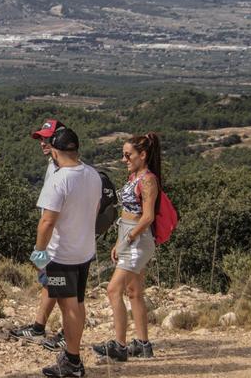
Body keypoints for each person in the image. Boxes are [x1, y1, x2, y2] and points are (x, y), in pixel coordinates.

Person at [30, 127, 101, 378]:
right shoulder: (93, 175)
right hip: (84, 252)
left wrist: (39, 255)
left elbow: (47, 223)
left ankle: (72, 361)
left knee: (67, 306)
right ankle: (72, 356)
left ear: (56, 152)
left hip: (61, 257)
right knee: (78, 303)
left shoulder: (59, 180)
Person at [93, 133, 162, 361]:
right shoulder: (135, 176)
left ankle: (120, 346)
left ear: (143, 155)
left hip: (137, 240)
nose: (124, 159)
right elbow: (126, 214)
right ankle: (143, 345)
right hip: (130, 236)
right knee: (134, 293)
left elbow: (148, 216)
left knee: (113, 289)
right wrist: (118, 241)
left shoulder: (148, 180)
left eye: (128, 155)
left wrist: (128, 238)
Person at [10, 119, 68, 350]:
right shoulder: (52, 165)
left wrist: (39, 249)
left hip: (58, 241)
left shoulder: (63, 169)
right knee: (50, 283)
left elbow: (50, 216)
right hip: (53, 238)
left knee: (62, 287)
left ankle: (67, 333)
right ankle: (37, 327)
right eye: (41, 138)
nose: (43, 143)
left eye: (47, 138)